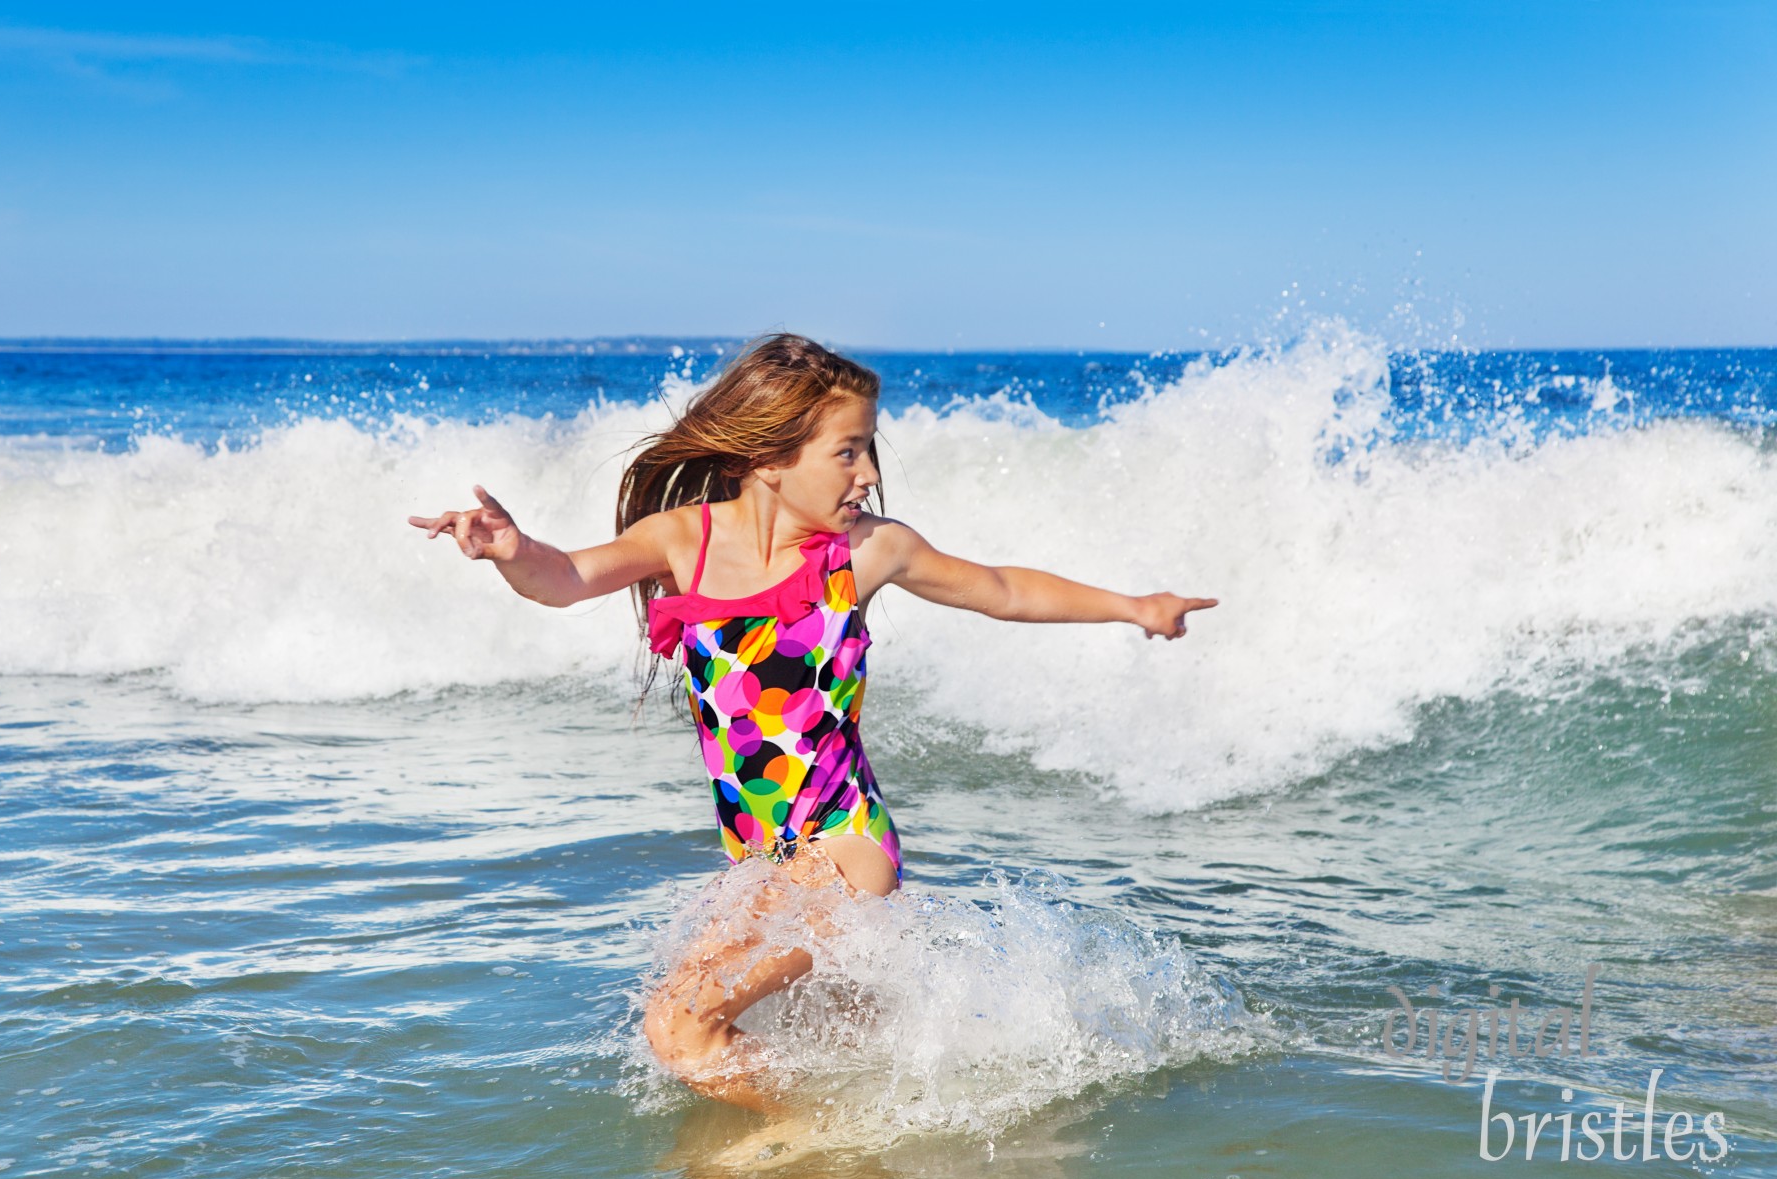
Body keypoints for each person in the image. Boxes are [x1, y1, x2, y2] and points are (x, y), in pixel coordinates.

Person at [409, 334, 1216, 1111]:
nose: (867, 473)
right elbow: (567, 577)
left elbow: (1001, 587)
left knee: (678, 1028)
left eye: (869, 449)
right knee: (841, 1046)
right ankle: (861, 1171)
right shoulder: (681, 540)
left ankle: (818, 1146)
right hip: (763, 865)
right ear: (769, 457)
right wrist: (511, 550)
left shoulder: (864, 554)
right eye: (847, 451)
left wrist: (1134, 607)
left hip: (844, 849)